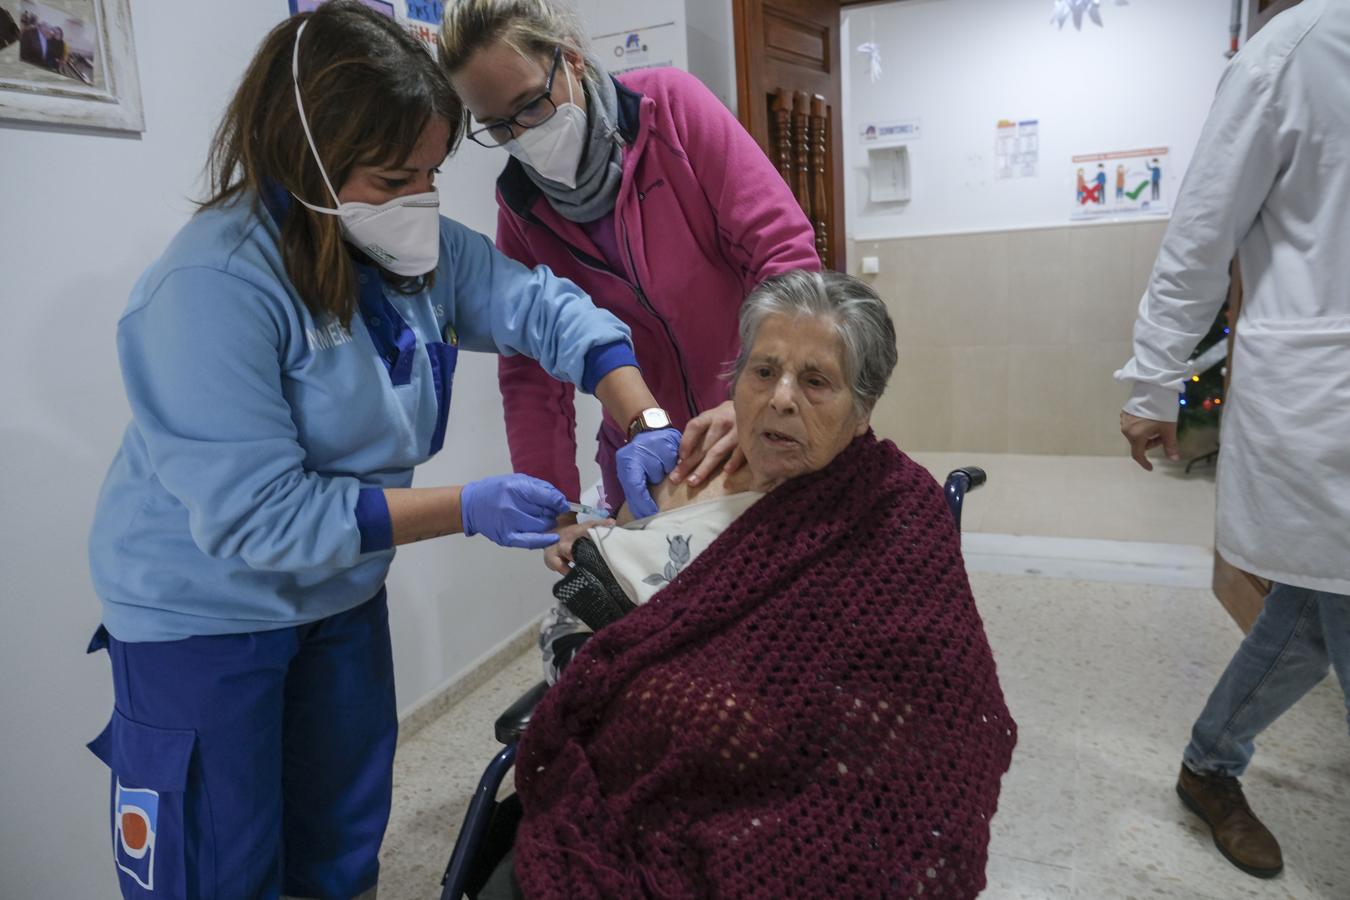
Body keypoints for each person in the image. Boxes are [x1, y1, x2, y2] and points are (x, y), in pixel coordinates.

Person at [83, 4, 677, 897]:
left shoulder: (407, 247)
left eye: (432, 174)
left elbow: (543, 308)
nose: (419, 205)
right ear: (306, 157)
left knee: (340, 842)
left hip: (341, 592)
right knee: (218, 866)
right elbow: (262, 517)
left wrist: (644, 418)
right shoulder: (208, 290)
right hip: (203, 615)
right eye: (393, 177)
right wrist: (467, 507)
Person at [481, 271, 1017, 899]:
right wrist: (587, 544)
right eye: (763, 372)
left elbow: (933, 716)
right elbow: (612, 604)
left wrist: (730, 706)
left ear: (864, 407)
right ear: (734, 382)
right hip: (622, 745)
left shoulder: (894, 511)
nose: (781, 399)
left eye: (815, 381)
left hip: (779, 787)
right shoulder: (677, 469)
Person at [1115, 0, 1349, 881]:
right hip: (1326, 407)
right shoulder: (1290, 52)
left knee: (1310, 617)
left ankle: (1209, 764)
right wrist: (1152, 386)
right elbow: (1198, 238)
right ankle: (1209, 768)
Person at [438, 0, 820, 526]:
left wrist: (754, 398)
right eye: (498, 127)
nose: (522, 136)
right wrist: (558, 510)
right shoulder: (523, 206)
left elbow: (784, 256)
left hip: (754, 417)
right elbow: (530, 369)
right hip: (647, 450)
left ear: (569, 59)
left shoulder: (670, 110)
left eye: (530, 105)